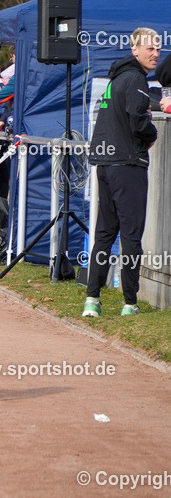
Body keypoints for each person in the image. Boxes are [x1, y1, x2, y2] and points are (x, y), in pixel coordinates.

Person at [83, 28, 161, 317]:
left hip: (105, 165)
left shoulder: (116, 79)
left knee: (104, 233)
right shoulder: (136, 79)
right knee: (130, 235)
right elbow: (138, 120)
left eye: (159, 48)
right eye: (150, 48)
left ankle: (92, 300)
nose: (156, 53)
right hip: (127, 165)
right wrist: (152, 134)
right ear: (135, 50)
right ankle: (130, 302)